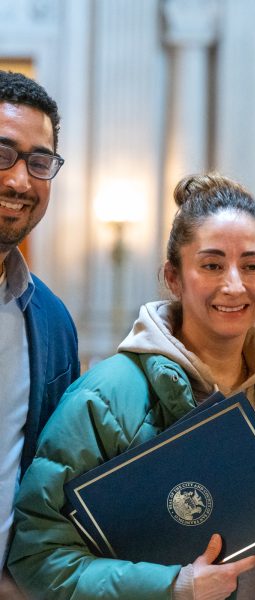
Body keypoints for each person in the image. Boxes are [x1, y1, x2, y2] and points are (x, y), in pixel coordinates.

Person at [9, 173, 255, 600]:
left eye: (252, 266)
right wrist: (174, 587)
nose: (234, 285)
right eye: (212, 265)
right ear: (173, 278)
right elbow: (39, 559)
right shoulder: (104, 399)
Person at [0, 71, 79, 595]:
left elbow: (46, 486)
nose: (19, 180)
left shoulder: (51, 323)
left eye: (38, 161)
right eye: (3, 153)